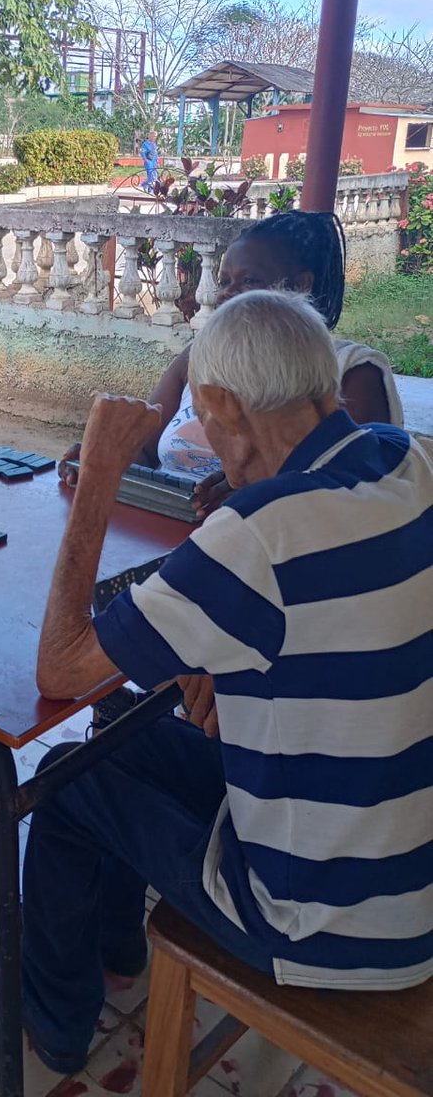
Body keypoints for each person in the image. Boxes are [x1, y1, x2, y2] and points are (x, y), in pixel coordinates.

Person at [22, 290, 433, 1074]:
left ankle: (58, 1025)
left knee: (60, 780)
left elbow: (60, 667)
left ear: (216, 403)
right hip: (410, 874)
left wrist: (99, 468)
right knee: (115, 746)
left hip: (318, 924)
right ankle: (115, 951)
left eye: (199, 418)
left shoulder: (253, 538)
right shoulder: (411, 461)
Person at [60, 211, 403, 513]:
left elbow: (356, 492)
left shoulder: (353, 371)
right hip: (165, 533)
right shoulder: (198, 357)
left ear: (300, 285)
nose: (226, 292)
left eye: (249, 281)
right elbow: (144, 451)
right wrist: (103, 462)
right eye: (225, 281)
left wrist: (259, 488)